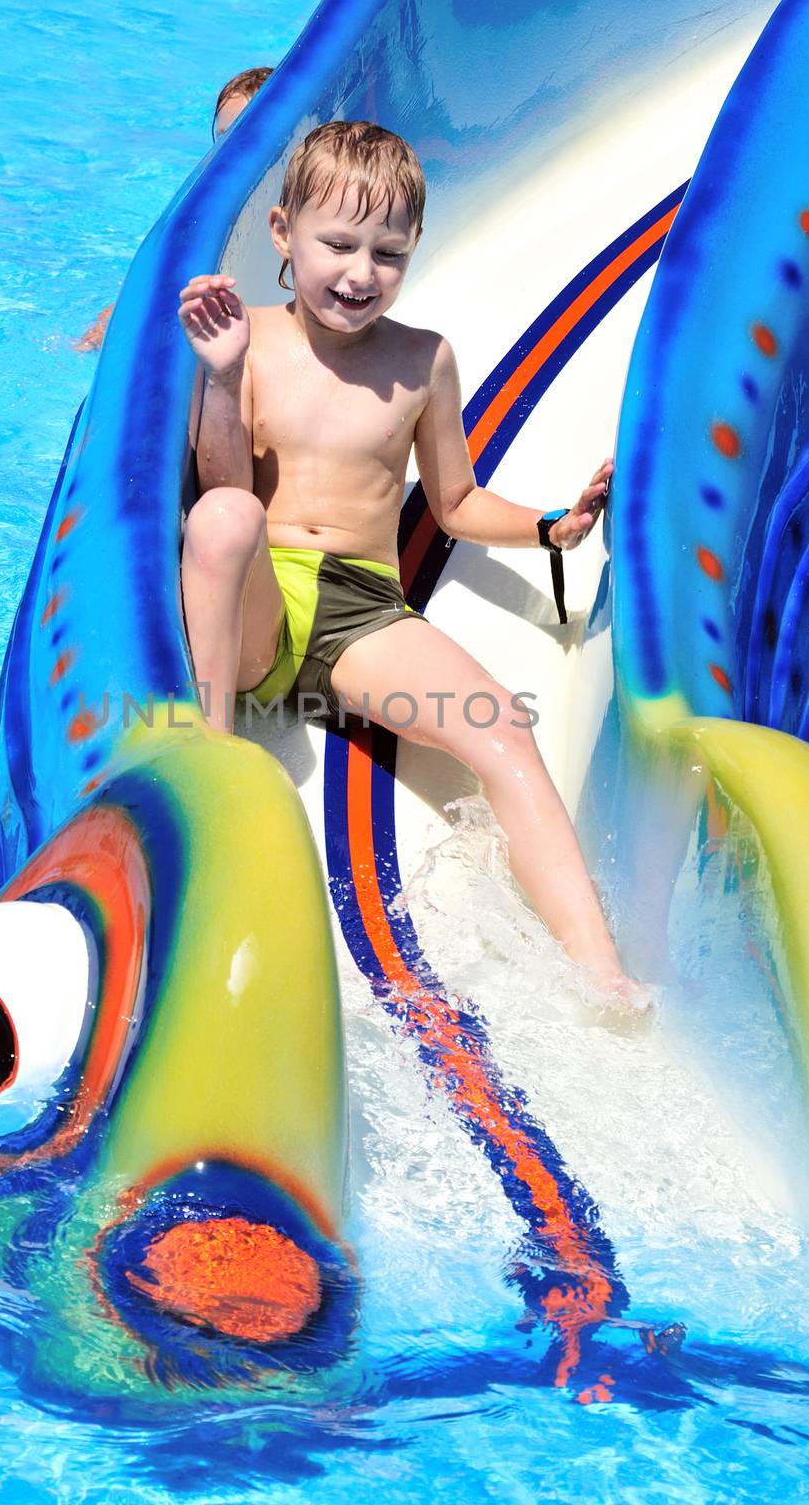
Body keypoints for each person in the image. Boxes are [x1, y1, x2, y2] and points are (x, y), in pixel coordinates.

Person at [177, 119, 645, 1010]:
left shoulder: (422, 361)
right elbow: (220, 484)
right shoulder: (253, 343)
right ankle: (213, 751)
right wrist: (219, 374)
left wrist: (552, 527)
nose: (360, 274)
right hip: (256, 598)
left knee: (502, 727)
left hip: (363, 608)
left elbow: (455, 501)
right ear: (283, 234)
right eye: (337, 245)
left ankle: (599, 967)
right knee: (228, 514)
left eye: (386, 253)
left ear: (413, 248)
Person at [73, 66, 273, 354]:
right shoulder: (205, 204)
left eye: (244, 137)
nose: (227, 151)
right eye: (223, 137)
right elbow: (164, 274)